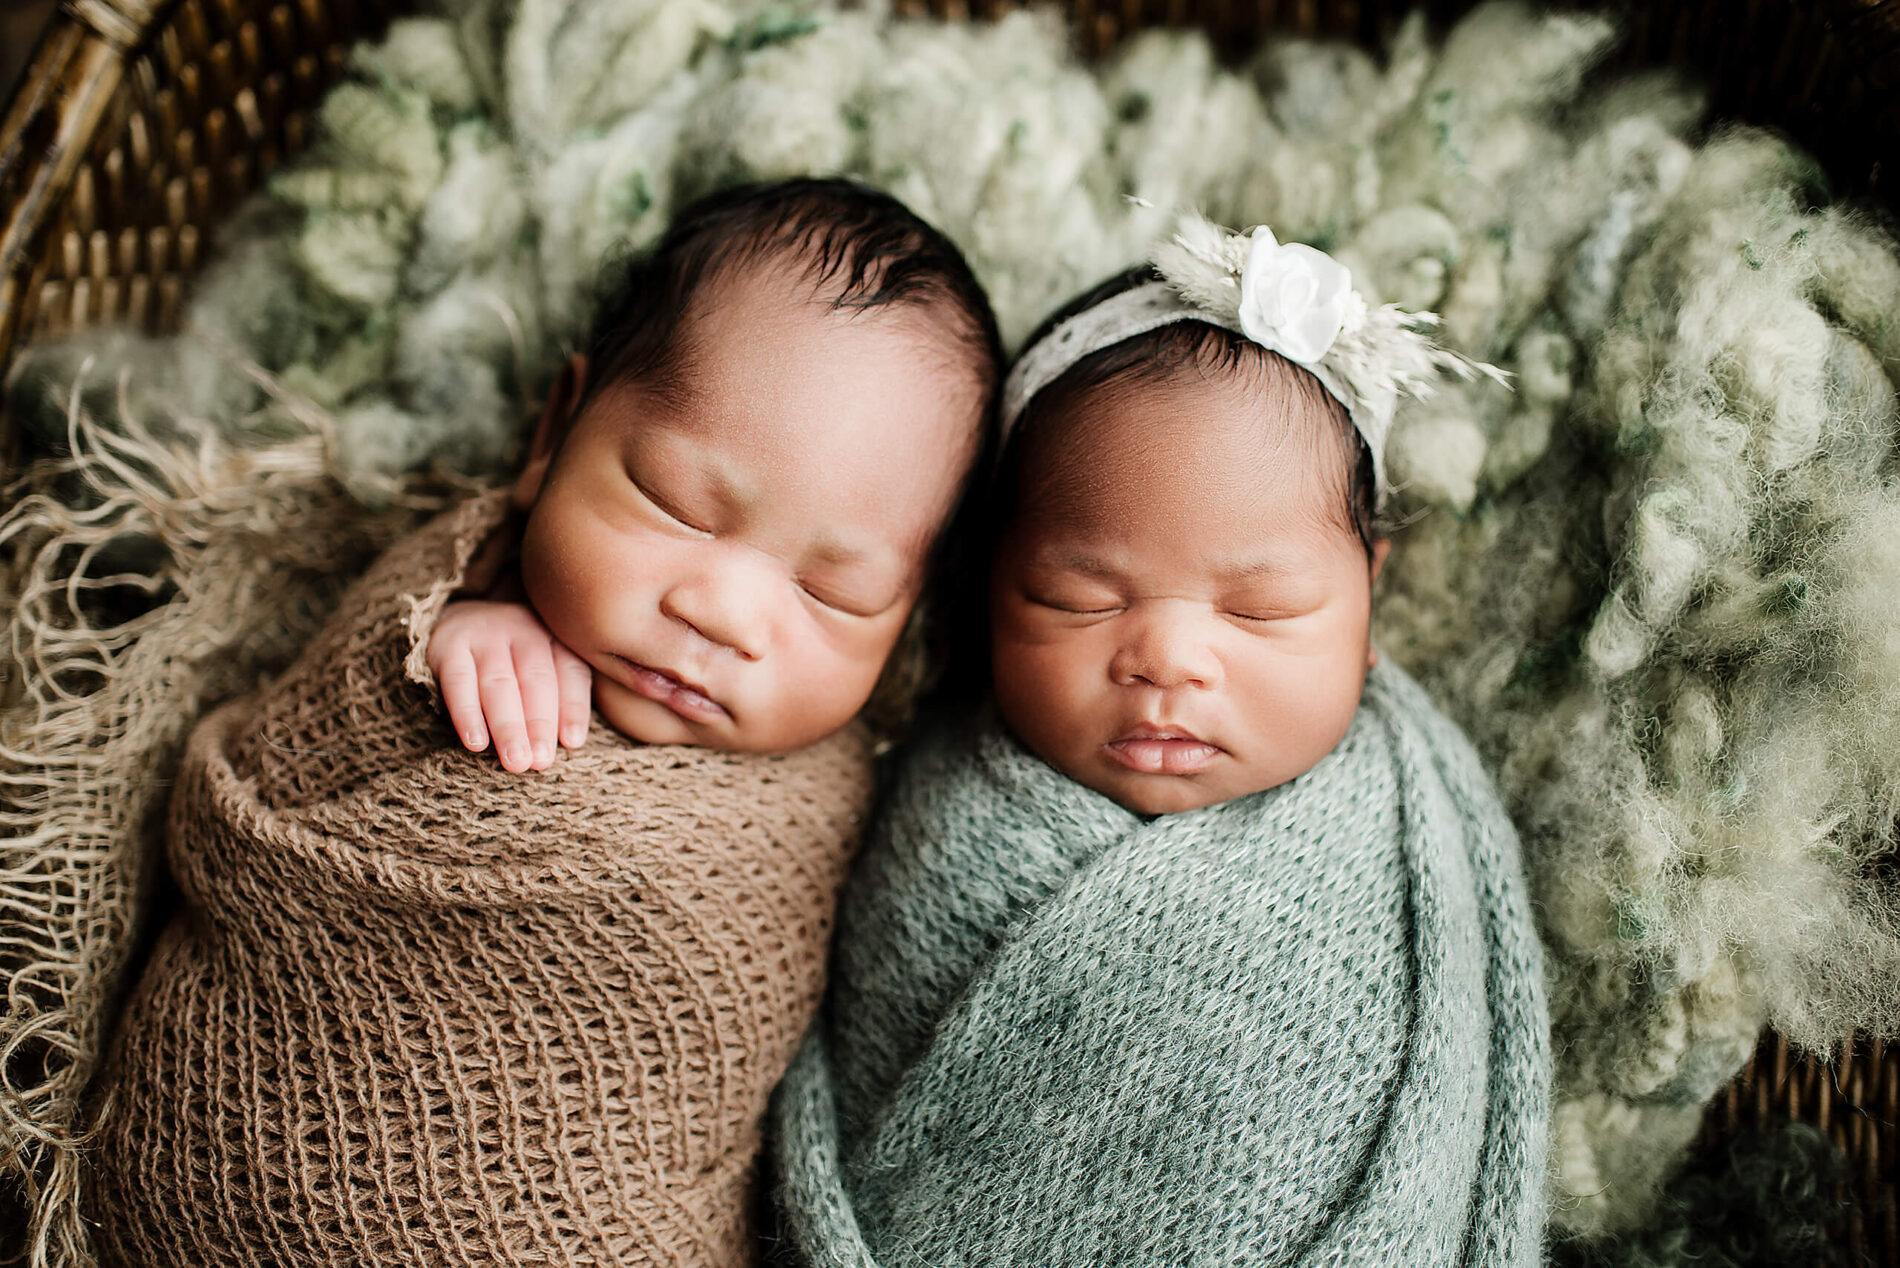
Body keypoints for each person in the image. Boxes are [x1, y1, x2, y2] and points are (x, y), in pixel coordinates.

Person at [87, 178, 1000, 1268]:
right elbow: (285, 765)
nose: (724, 613)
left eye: (833, 592)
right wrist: (440, 634)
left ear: (908, 626)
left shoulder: (843, 793)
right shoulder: (452, 600)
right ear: (553, 431)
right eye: (677, 504)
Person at [773, 216, 1552, 1267]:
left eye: (1262, 608)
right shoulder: (928, 803)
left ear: (1369, 599)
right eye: (1076, 596)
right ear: (985, 588)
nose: (1168, 657)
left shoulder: (1415, 830)